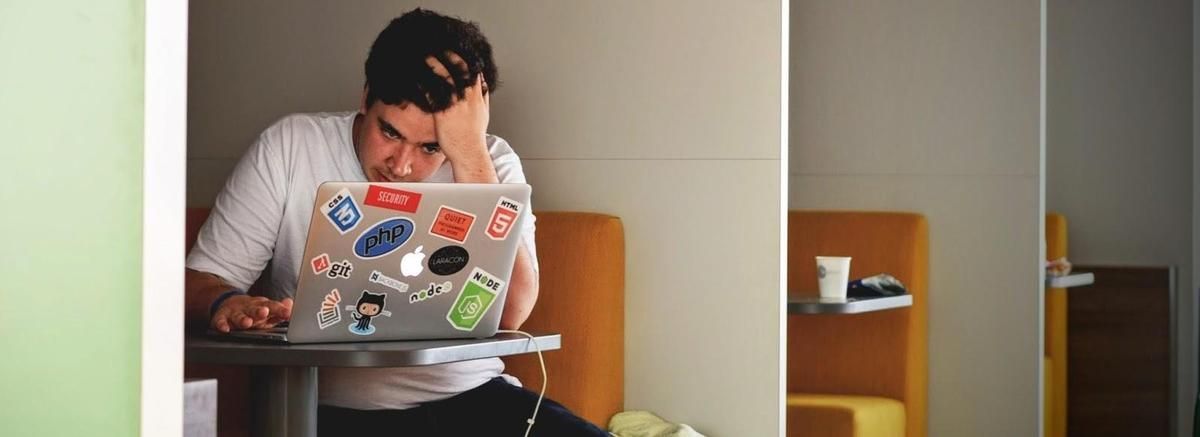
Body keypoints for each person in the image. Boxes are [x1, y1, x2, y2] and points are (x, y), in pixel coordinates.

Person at [184, 8, 608, 436]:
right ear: (366, 97)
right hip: (326, 410)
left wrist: (470, 156)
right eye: (389, 133)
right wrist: (227, 303)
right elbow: (198, 282)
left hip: (472, 398)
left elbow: (513, 313)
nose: (402, 166)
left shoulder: (490, 161)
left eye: (430, 147)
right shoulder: (291, 146)